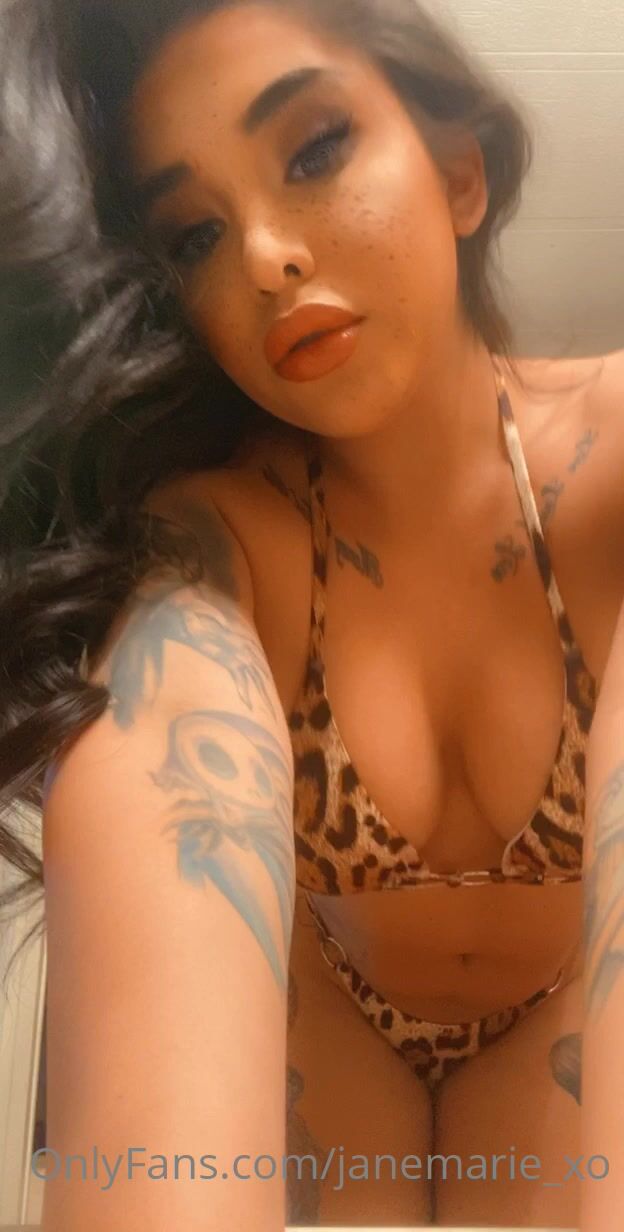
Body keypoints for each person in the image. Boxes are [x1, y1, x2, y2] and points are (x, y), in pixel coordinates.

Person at [1, 0, 623, 1227]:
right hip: (337, 1008)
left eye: (315, 147)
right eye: (193, 234)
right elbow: (156, 750)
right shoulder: (215, 541)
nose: (265, 254)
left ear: (458, 171)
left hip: (551, 1005)